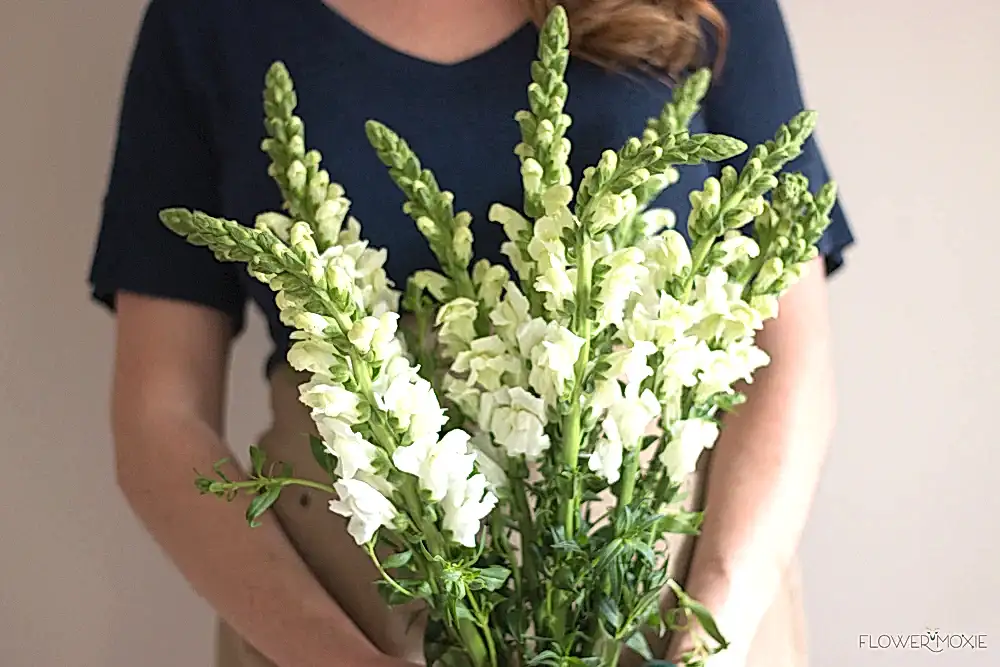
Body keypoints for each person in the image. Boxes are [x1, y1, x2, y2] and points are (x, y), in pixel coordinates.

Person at [88, 0, 854, 665]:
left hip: (669, 607)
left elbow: (789, 354)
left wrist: (705, 631)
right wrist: (335, 657)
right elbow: (159, 417)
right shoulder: (211, 19)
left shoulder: (703, 6)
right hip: (338, 616)